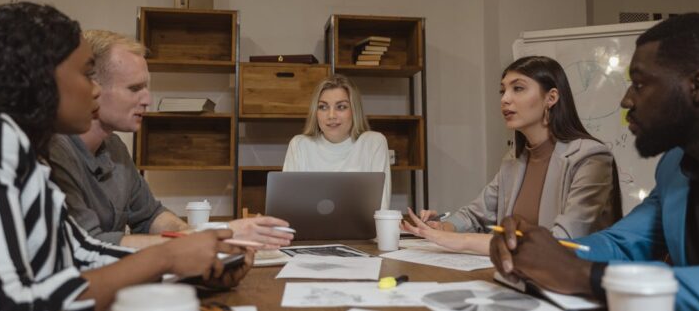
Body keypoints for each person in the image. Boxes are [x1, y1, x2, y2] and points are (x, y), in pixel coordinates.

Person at [0, 2, 251, 311]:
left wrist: (187, 266)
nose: (95, 91)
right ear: (41, 77)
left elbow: (81, 253)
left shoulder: (28, 151)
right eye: (86, 74)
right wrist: (168, 257)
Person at [489, 13, 699, 311]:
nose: (626, 100)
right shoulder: (674, 167)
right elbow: (622, 243)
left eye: (639, 84)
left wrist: (586, 275)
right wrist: (537, 251)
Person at [48, 30, 294, 249]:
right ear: (92, 87)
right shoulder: (54, 151)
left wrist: (203, 241)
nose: (148, 100)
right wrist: (213, 235)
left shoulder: (114, 148)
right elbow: (86, 245)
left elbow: (151, 215)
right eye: (134, 89)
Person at [403, 56, 621, 254]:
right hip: (520, 278)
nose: (505, 99)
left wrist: (463, 240)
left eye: (518, 88)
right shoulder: (514, 159)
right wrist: (442, 227)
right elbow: (475, 214)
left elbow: (563, 242)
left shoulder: (591, 158)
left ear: (551, 97)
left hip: (572, 286)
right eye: (502, 91)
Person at [283, 74, 391, 209]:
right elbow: (288, 207)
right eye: (323, 107)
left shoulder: (374, 142)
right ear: (315, 112)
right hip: (309, 230)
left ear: (354, 110)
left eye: (341, 107)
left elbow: (381, 208)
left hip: (362, 230)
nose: (331, 116)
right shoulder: (299, 145)